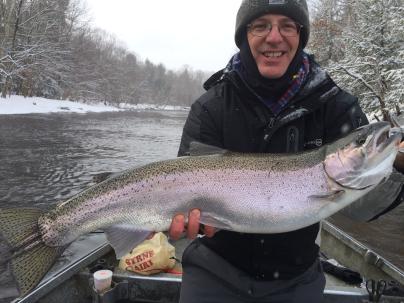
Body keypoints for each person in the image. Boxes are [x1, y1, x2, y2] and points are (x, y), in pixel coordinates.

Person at [169, 0, 404, 302]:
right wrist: (189, 216)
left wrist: (393, 166)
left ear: (301, 34)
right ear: (245, 35)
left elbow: (361, 209)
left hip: (297, 279)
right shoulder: (210, 107)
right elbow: (183, 185)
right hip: (212, 270)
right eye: (261, 25)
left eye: (287, 25)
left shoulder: (337, 107)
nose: (275, 37)